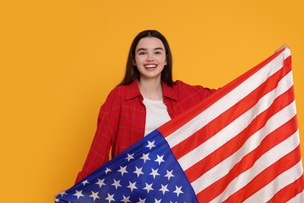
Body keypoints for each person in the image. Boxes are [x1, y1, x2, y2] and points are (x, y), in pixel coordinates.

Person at [75, 30, 216, 183]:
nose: (150, 58)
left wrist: (247, 85)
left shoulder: (181, 93)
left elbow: (226, 98)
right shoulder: (120, 97)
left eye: (157, 52)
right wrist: (76, 195)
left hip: (175, 192)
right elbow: (99, 149)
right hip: (133, 192)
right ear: (134, 60)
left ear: (166, 59)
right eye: (142, 53)